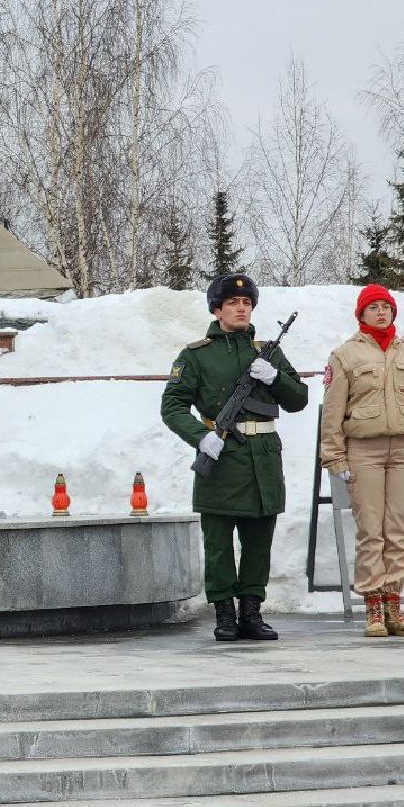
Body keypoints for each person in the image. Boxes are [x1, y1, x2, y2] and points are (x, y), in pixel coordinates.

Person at [160, 274, 308, 642]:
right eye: (232, 304)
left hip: (263, 460)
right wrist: (201, 436)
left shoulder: (267, 352)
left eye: (247, 304)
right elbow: (173, 406)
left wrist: (275, 378)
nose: (241, 309)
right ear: (217, 309)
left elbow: (298, 400)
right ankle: (225, 613)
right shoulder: (196, 355)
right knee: (219, 543)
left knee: (259, 540)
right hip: (222, 455)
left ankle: (251, 613)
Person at [320, 284, 404, 638]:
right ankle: (373, 608)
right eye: (373, 307)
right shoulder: (345, 355)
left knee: (398, 529)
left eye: (386, 306)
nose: (381, 312)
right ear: (361, 314)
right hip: (364, 451)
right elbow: (333, 411)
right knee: (371, 529)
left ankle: (394, 607)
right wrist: (335, 457)